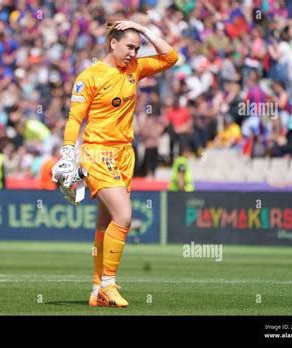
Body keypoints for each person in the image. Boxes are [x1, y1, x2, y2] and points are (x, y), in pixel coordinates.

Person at [52, 20, 178, 307]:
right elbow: (75, 119)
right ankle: (109, 283)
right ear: (113, 43)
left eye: (137, 47)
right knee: (124, 216)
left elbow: (171, 57)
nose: (134, 53)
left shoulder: (135, 69)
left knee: (105, 221)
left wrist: (142, 28)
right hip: (98, 152)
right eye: (129, 46)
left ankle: (96, 290)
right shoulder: (90, 76)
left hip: (125, 153)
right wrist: (68, 152)